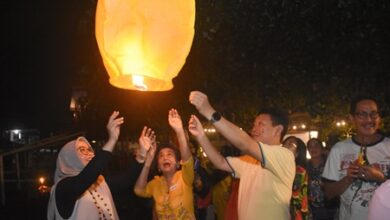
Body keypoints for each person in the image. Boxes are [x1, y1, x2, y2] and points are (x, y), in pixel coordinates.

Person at [188, 91, 295, 220]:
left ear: (278, 130)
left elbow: (245, 143)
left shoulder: (284, 156)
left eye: (261, 124)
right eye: (254, 124)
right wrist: (200, 135)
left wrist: (209, 111)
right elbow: (220, 162)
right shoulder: (250, 160)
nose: (253, 129)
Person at [322, 96, 390, 220]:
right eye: (362, 114)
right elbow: (328, 193)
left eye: (373, 114)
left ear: (379, 118)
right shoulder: (339, 149)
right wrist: (348, 179)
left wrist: (381, 178)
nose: (369, 119)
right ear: (351, 119)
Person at [47, 111, 125, 219]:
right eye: (81, 150)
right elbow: (83, 179)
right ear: (69, 157)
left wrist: (143, 156)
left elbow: (127, 180)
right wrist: (111, 140)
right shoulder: (63, 187)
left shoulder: (100, 182)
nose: (89, 153)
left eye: (89, 149)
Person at [134, 109, 195, 219]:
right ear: (158, 166)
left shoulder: (185, 177)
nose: (165, 157)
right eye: (161, 155)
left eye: (169, 154)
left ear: (177, 164)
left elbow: (188, 160)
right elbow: (139, 190)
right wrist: (148, 162)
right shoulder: (155, 183)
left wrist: (180, 131)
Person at [306, 138, 338, 220]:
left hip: (329, 207)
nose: (313, 149)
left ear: (322, 148)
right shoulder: (305, 166)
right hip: (310, 208)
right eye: (310, 146)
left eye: (316, 145)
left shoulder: (330, 164)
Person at [282, 136, 310, 220]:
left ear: (297, 153)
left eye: (290, 144)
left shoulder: (299, 171)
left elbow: (294, 198)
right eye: (284, 144)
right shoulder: (282, 168)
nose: (285, 147)